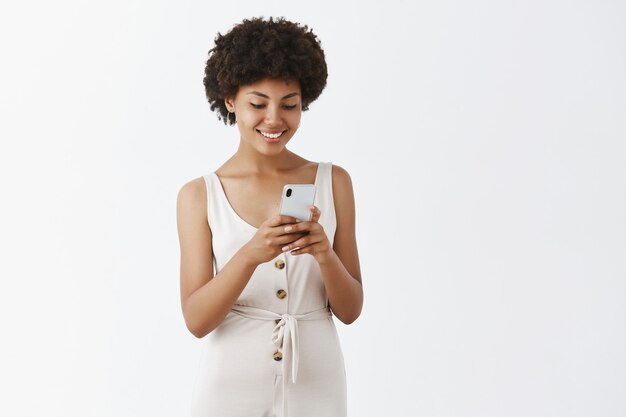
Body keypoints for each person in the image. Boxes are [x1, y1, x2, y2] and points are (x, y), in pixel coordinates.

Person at [176, 16, 363, 417]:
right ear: (230, 100)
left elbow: (350, 311)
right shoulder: (198, 195)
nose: (274, 120)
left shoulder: (335, 182)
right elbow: (196, 320)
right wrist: (249, 254)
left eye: (290, 105)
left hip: (318, 383)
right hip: (229, 388)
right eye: (257, 104)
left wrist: (325, 254)